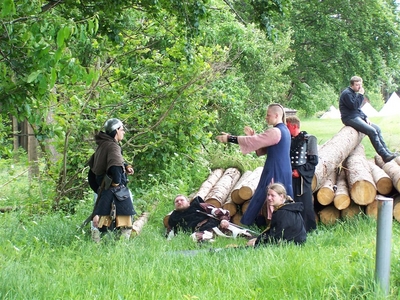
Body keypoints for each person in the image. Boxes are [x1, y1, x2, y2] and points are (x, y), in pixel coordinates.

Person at [216, 103, 293, 226]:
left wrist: (230, 138)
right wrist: (252, 136)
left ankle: (271, 225)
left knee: (271, 195)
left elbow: (255, 141)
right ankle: (272, 223)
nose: (266, 118)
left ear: (277, 115)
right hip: (282, 168)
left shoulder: (276, 131)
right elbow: (261, 147)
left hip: (275, 168)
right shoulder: (284, 130)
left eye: (268, 115)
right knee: (277, 195)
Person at [88, 118, 136, 242]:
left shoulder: (103, 145)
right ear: (116, 131)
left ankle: (98, 243)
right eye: (122, 129)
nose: (124, 132)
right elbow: (114, 166)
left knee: (101, 214)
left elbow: (96, 168)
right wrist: (116, 182)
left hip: (103, 188)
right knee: (125, 216)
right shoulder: (112, 147)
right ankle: (120, 246)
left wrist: (125, 167)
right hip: (113, 190)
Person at [339, 76, 398, 163]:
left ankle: (387, 152)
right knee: (371, 131)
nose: (360, 87)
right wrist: (360, 95)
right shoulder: (347, 94)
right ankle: (384, 155)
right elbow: (354, 106)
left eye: (360, 85)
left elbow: (358, 109)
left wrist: (365, 117)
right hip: (349, 118)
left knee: (377, 128)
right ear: (352, 85)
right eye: (357, 85)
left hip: (356, 116)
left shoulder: (354, 93)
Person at [166, 195, 251, 242]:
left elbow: (218, 211)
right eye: (176, 201)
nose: (179, 202)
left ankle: (257, 242)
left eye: (181, 200)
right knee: (195, 238)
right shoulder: (174, 217)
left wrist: (224, 219)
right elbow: (171, 233)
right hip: (201, 233)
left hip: (215, 227)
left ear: (188, 202)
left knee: (242, 234)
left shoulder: (199, 206)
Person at [286, 115, 318, 232]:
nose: (286, 129)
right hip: (289, 175)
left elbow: (313, 161)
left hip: (302, 177)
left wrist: (299, 172)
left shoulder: (309, 139)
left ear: (294, 126)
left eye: (287, 126)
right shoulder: (287, 140)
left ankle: (308, 228)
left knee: (304, 202)